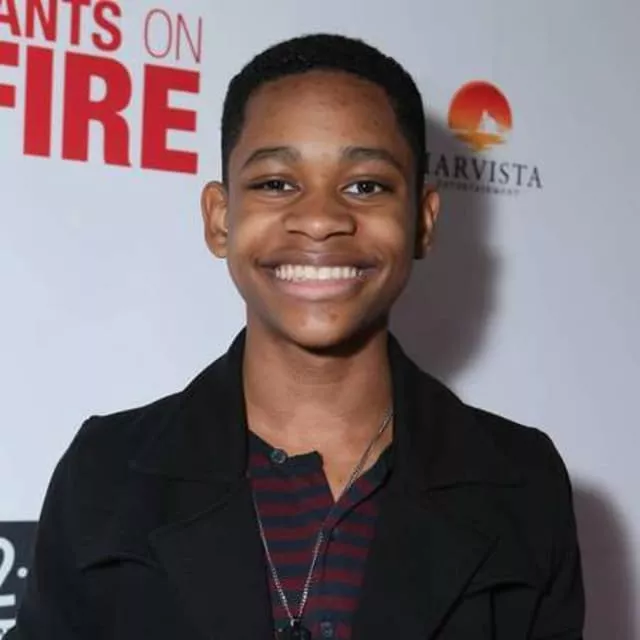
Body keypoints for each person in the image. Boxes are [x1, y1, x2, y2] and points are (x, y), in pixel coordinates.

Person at [9, 33, 584, 640]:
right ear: (220, 219)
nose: (320, 219)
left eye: (366, 185)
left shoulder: (523, 483)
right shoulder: (105, 472)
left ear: (422, 220)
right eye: (276, 183)